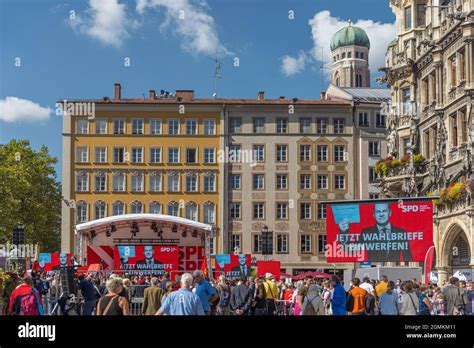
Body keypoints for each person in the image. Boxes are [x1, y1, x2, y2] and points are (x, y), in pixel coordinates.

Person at [338, 203, 413, 262]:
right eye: (378, 212)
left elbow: (408, 256)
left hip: (394, 268)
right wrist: (344, 233)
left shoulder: (400, 232)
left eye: (384, 211)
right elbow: (351, 251)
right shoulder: (367, 232)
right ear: (374, 215)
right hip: (374, 267)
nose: (381, 214)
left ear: (390, 213)